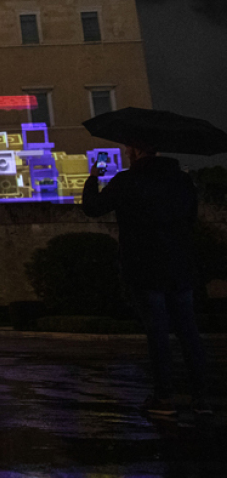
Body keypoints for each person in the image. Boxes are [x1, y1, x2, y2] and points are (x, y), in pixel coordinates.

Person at [83, 145, 210, 416]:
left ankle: (164, 396)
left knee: (158, 333)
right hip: (180, 264)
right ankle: (201, 397)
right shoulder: (182, 180)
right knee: (189, 332)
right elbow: (191, 218)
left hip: (144, 265)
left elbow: (92, 208)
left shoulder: (127, 181)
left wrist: (94, 177)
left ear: (135, 150)